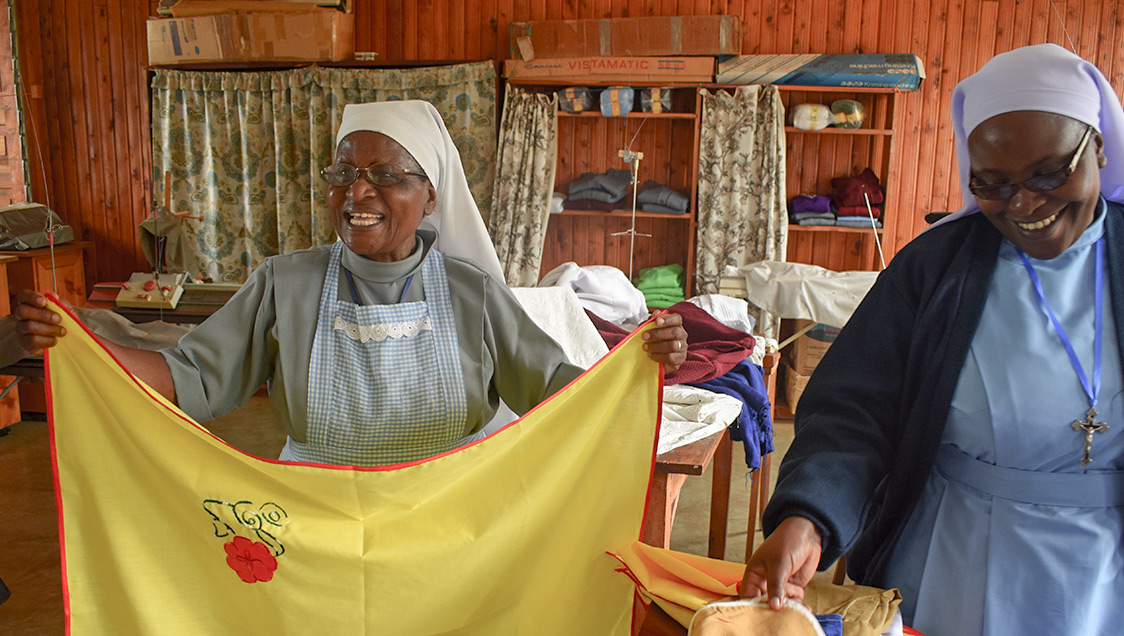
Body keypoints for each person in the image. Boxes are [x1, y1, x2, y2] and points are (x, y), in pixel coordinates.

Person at [740, 44, 1124, 636]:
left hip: (1110, 581)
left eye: (1049, 173)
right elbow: (855, 414)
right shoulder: (934, 269)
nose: (1023, 205)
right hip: (956, 565)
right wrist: (810, 518)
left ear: (1101, 147)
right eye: (991, 184)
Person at [15, 100, 687, 466]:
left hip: (454, 522)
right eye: (344, 171)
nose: (357, 191)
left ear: (430, 197)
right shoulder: (287, 283)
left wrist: (638, 363)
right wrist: (83, 347)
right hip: (320, 523)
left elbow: (555, 392)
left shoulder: (471, 293)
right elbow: (190, 374)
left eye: (387, 174)